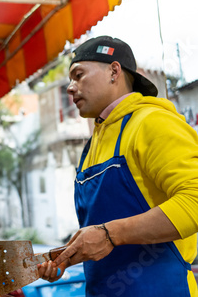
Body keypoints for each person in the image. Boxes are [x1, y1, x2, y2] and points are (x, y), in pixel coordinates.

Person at [37, 35, 198, 296]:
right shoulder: (91, 146)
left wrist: (110, 234)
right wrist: (67, 257)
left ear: (114, 71)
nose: (70, 87)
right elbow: (100, 233)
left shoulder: (152, 122)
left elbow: (195, 199)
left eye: (78, 75)